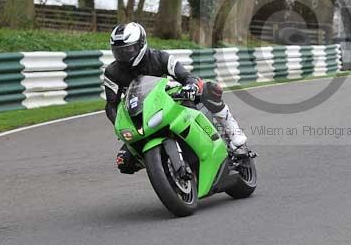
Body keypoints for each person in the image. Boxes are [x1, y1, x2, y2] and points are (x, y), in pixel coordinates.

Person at [102, 22, 249, 174]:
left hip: (171, 100)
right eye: (118, 52)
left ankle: (236, 139)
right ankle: (158, 161)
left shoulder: (160, 57)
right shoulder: (112, 72)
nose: (123, 55)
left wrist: (191, 87)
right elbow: (111, 105)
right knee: (124, 161)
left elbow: (187, 76)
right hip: (141, 115)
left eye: (128, 50)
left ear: (141, 44)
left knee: (210, 90)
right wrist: (119, 124)